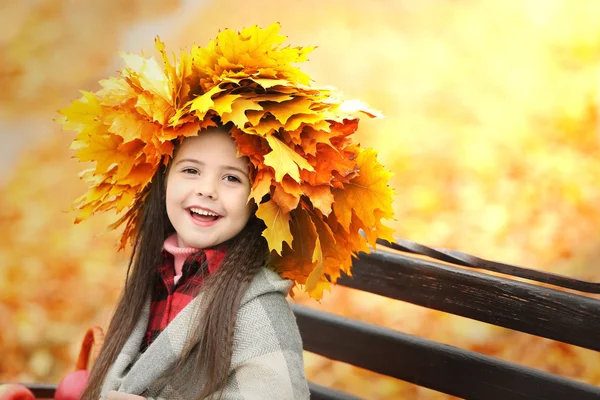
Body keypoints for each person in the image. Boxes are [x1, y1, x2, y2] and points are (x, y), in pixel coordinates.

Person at [59, 23, 395, 399]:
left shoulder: (255, 314)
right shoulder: (158, 275)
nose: (207, 189)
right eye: (190, 170)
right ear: (163, 180)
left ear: (260, 202)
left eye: (232, 179)